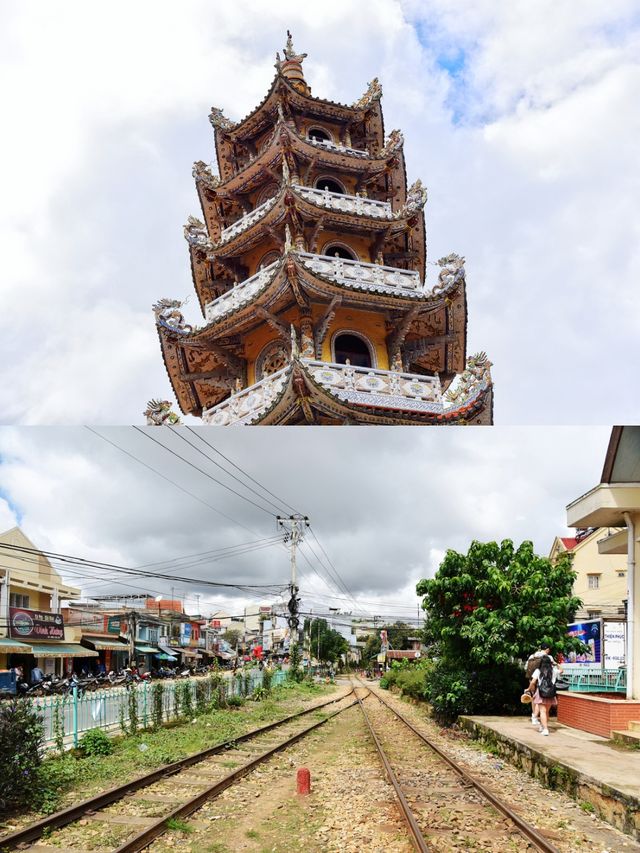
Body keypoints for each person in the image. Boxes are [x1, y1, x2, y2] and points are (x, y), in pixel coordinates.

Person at [528, 654, 560, 736]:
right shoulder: (554, 670)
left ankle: (545, 729)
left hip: (541, 693)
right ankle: (543, 726)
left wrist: (530, 689)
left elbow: (532, 682)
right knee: (547, 712)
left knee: (542, 711)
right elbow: (562, 670)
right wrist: (556, 664)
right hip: (550, 693)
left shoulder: (538, 671)